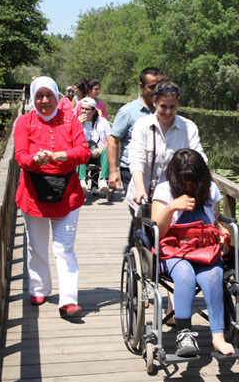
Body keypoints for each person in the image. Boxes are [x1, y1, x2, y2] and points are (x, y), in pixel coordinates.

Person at [14, 76, 91, 318]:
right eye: (39, 96)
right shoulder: (24, 122)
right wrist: (35, 160)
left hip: (67, 194)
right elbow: (20, 156)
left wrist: (58, 156)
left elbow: (83, 152)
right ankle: (39, 287)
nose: (44, 100)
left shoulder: (70, 121)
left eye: (49, 95)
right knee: (36, 246)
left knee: (64, 248)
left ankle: (68, 300)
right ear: (33, 98)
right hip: (33, 193)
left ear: (58, 96)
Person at [151, 148, 234, 356]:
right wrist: (171, 208)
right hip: (173, 247)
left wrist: (221, 229)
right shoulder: (163, 190)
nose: (189, 185)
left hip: (203, 246)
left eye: (193, 181)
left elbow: (213, 221)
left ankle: (218, 336)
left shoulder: (210, 190)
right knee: (185, 273)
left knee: (214, 275)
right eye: (185, 181)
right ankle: (184, 333)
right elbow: (156, 233)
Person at [126, 79, 206, 211]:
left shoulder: (189, 127)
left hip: (173, 199)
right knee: (141, 231)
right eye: (163, 106)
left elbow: (199, 159)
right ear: (154, 102)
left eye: (172, 107)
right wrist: (140, 189)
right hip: (143, 196)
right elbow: (136, 158)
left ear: (178, 104)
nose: (168, 112)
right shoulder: (142, 125)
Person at [108, 67, 164, 248]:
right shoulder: (129, 111)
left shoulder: (165, 110)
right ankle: (138, 250)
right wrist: (112, 170)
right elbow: (113, 140)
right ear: (141, 86)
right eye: (152, 87)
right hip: (131, 171)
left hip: (158, 172)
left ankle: (150, 251)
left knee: (156, 214)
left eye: (160, 86)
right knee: (140, 214)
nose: (156, 91)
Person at [76, 97, 111, 195]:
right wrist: (78, 125)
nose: (83, 111)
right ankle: (82, 180)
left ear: (93, 111)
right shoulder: (76, 122)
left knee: (107, 150)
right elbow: (70, 140)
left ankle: (103, 180)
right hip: (84, 155)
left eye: (87, 109)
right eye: (82, 108)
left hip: (99, 155)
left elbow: (110, 141)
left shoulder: (102, 122)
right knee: (80, 150)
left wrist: (101, 148)